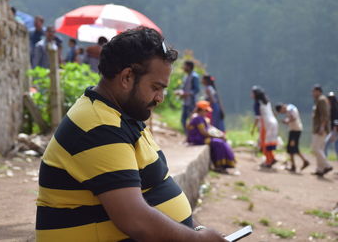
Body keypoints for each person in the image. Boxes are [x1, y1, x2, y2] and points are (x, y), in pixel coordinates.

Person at [35, 27, 226, 242]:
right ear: (126, 77)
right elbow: (134, 219)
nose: (160, 98)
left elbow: (157, 189)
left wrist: (194, 229)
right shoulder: (98, 127)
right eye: (156, 87)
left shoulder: (123, 116)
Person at [187, 101, 236, 174]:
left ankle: (224, 165)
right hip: (198, 139)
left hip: (203, 138)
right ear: (202, 110)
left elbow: (210, 128)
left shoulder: (202, 118)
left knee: (221, 142)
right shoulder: (197, 118)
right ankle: (219, 166)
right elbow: (203, 132)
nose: (207, 112)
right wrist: (218, 136)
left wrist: (220, 134)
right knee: (218, 143)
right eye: (206, 111)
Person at [275, 103, 310, 172]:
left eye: (281, 111)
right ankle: (295, 164)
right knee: (291, 148)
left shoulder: (290, 109)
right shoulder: (289, 108)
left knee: (292, 148)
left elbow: (294, 118)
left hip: (296, 130)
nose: (282, 113)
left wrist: (287, 121)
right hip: (293, 130)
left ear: (282, 108)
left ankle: (301, 163)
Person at [251, 86, 278, 168]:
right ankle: (272, 158)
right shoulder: (267, 102)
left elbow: (257, 118)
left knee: (264, 143)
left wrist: (253, 128)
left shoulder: (257, 103)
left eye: (252, 93)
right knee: (269, 141)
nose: (251, 95)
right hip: (274, 122)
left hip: (266, 124)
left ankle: (268, 161)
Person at [311, 84, 333, 176]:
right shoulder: (318, 101)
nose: (312, 93)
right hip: (318, 128)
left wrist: (322, 127)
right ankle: (320, 169)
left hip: (320, 129)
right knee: (320, 148)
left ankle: (326, 165)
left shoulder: (322, 100)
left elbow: (325, 115)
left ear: (318, 91)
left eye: (314, 91)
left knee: (315, 148)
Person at [175, 61, 200, 133]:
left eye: (185, 66)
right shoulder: (186, 76)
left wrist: (186, 94)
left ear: (189, 67)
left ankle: (192, 135)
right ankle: (188, 134)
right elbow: (185, 88)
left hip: (191, 102)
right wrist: (180, 92)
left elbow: (196, 90)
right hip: (186, 102)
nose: (184, 67)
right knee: (183, 120)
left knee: (192, 120)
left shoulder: (194, 76)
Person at [324, 92, 338, 159]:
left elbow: (336, 121)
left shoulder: (334, 108)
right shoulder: (334, 107)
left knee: (325, 144)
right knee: (336, 147)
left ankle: (324, 162)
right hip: (335, 130)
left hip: (335, 131)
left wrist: (334, 133)